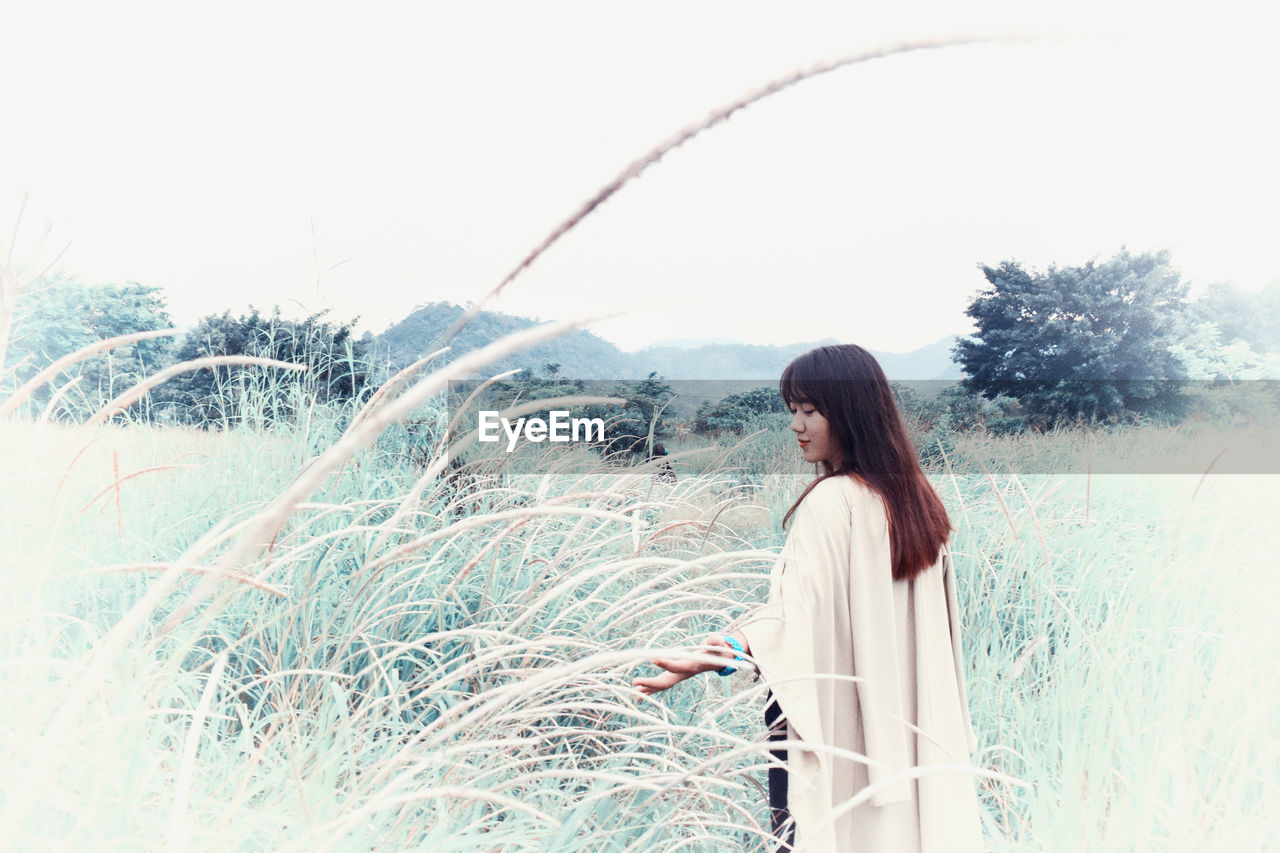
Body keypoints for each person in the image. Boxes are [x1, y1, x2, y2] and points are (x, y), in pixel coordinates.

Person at [633, 344, 985, 852]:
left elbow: (792, 619)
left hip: (845, 727)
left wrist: (718, 653)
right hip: (913, 730)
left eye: (810, 410)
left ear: (851, 411)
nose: (797, 426)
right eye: (792, 411)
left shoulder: (831, 501)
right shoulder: (920, 500)